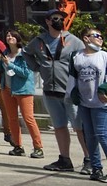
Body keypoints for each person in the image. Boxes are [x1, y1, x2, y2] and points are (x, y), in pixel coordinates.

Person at [27, 10, 85, 173]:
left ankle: (89, 159)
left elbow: (84, 59)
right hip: (50, 91)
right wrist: (36, 67)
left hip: (70, 91)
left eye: (61, 19)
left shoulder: (74, 41)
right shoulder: (39, 40)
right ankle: (64, 159)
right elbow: (26, 53)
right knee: (59, 126)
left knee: (79, 127)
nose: (59, 21)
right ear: (47, 21)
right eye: (55, 19)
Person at [1, 28, 45, 160]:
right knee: (12, 119)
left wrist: (10, 65)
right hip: (7, 89)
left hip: (23, 90)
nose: (9, 37)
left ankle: (38, 147)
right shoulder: (5, 53)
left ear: (17, 39)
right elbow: (0, 70)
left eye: (12, 36)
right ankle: (18, 146)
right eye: (8, 35)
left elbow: (26, 73)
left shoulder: (24, 54)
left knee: (28, 118)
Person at [69, 27, 107, 182]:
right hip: (85, 102)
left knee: (102, 135)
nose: (100, 38)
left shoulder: (104, 56)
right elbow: (73, 78)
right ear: (86, 38)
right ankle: (96, 168)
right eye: (96, 35)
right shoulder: (77, 56)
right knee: (89, 137)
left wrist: (104, 90)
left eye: (101, 36)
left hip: (101, 103)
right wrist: (72, 94)